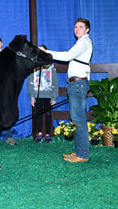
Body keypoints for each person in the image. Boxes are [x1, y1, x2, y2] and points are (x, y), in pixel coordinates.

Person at [47, 18, 93, 163]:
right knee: (77, 119)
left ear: (87, 30)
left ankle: (83, 155)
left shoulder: (84, 42)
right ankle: (79, 152)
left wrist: (46, 52)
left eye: (80, 27)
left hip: (78, 84)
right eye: (75, 27)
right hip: (77, 84)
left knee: (79, 119)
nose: (77, 29)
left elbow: (66, 56)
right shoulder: (81, 43)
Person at [27, 45, 59, 143]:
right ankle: (39, 134)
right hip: (37, 94)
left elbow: (55, 82)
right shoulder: (33, 65)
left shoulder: (51, 66)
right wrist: (32, 96)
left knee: (48, 114)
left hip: (48, 94)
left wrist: (54, 96)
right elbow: (30, 82)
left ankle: (48, 134)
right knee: (38, 113)